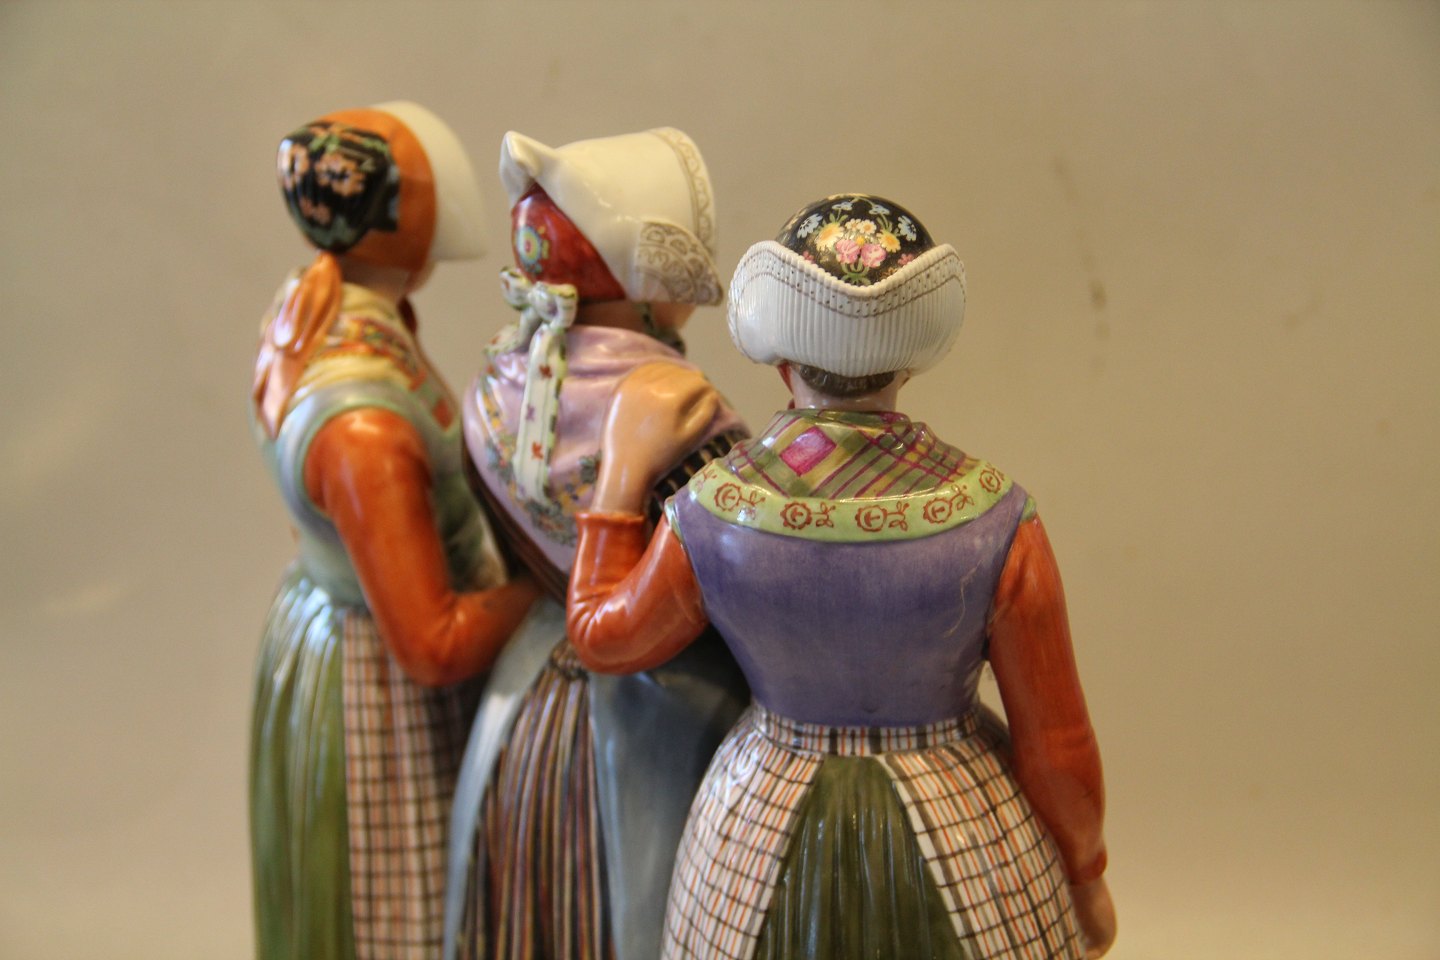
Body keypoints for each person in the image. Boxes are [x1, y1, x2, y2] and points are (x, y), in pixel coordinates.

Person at [568, 194, 1117, 959]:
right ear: (908, 362)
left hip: (761, 804)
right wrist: (1085, 874)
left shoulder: (713, 511)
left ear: (782, 362)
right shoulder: (997, 516)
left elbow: (604, 637)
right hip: (958, 808)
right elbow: (1055, 746)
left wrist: (619, 475)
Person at [444, 128, 750, 960]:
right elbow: (727, 576)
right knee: (646, 897)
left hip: (528, 692)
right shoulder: (677, 405)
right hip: (663, 700)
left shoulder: (490, 386)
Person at [250, 102, 539, 960]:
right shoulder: (365, 427)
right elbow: (434, 643)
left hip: (324, 626)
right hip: (374, 686)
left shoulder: (306, 308)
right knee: (392, 916)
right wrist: (548, 592)